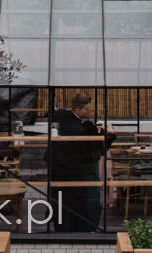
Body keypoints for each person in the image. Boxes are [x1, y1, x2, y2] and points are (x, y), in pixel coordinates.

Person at [49, 92, 116, 232]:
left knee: (60, 199)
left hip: (57, 166)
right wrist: (106, 135)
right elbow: (91, 149)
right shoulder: (77, 128)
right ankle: (76, 227)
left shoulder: (62, 115)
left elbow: (59, 112)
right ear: (77, 109)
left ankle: (62, 225)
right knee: (72, 200)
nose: (88, 112)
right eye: (86, 109)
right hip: (69, 168)